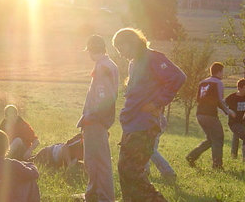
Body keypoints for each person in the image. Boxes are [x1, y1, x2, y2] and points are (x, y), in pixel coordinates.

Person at [113, 28, 186, 202]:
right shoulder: (134, 63)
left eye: (121, 48)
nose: (121, 54)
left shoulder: (153, 58)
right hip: (131, 124)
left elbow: (178, 77)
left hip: (144, 125)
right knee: (124, 170)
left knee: (133, 172)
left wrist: (157, 102)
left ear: (131, 42)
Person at [76, 34, 119, 202]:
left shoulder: (102, 67)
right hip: (97, 121)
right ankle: (92, 194)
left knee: (99, 161)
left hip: (95, 122)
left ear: (92, 50)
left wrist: (92, 117)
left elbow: (103, 95)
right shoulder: (109, 65)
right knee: (91, 160)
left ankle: (104, 197)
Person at [186, 62, 236, 169]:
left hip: (200, 114)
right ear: (219, 71)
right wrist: (228, 111)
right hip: (210, 115)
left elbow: (198, 99)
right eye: (223, 71)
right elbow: (220, 100)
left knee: (210, 139)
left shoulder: (202, 82)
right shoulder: (218, 83)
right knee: (218, 138)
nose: (223, 74)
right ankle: (217, 165)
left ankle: (191, 156)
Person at [224, 79, 245, 162]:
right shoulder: (232, 97)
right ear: (239, 88)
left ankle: (244, 157)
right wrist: (229, 111)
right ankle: (241, 158)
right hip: (234, 123)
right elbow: (221, 104)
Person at [145, 111, 177, 182]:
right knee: (145, 148)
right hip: (156, 118)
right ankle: (145, 171)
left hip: (154, 119)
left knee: (151, 150)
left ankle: (168, 172)